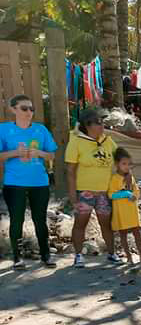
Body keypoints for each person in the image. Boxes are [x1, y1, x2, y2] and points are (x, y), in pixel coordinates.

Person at [0, 94, 58, 270]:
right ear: (13, 109)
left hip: (39, 182)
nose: (29, 112)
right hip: (14, 183)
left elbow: (51, 155)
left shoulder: (41, 130)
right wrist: (15, 153)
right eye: (24, 108)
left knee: (40, 219)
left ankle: (46, 255)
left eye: (31, 109)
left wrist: (39, 153)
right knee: (16, 220)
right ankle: (17, 257)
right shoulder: (3, 129)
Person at [65, 108, 119, 268]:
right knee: (80, 223)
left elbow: (120, 159)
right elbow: (70, 171)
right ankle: (78, 255)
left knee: (107, 224)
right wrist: (73, 196)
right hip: (85, 192)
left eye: (103, 122)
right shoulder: (76, 141)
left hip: (104, 192)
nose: (102, 125)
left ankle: (111, 254)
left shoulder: (108, 141)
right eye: (98, 122)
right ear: (88, 125)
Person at [107, 147, 141, 265]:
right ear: (117, 164)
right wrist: (124, 194)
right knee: (123, 234)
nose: (126, 166)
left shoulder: (131, 177)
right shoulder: (114, 178)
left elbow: (136, 191)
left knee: (137, 233)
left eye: (128, 164)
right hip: (121, 211)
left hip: (132, 210)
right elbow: (111, 195)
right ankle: (129, 258)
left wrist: (135, 195)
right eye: (123, 164)